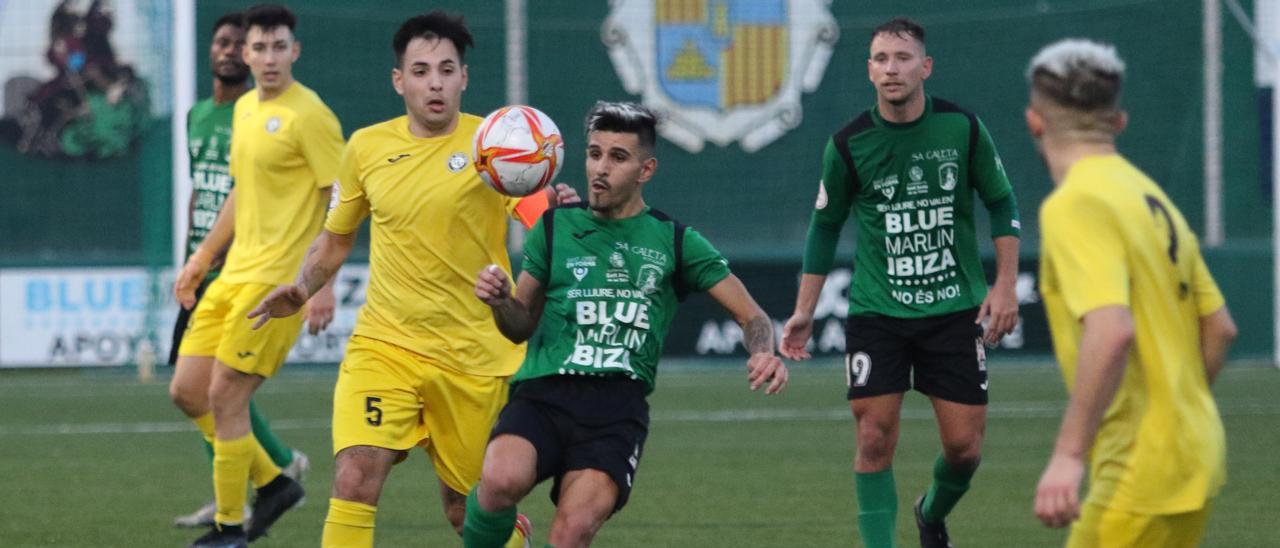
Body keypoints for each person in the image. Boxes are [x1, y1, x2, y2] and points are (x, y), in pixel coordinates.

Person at [247, 11, 574, 548]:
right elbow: (334, 239)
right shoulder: (366, 148)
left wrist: (562, 212)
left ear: (464, 78)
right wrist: (303, 286)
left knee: (465, 510)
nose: (435, 82)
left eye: (447, 69)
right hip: (386, 345)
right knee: (353, 478)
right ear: (399, 80)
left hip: (474, 358)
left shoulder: (496, 146)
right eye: (420, 71)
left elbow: (542, 221)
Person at [461, 101, 789, 548]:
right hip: (544, 394)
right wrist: (501, 302)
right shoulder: (555, 227)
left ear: (645, 169)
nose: (600, 168)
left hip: (616, 411)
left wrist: (763, 351)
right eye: (594, 153)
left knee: (571, 532)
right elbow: (519, 326)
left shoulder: (675, 240)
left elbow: (751, 314)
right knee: (499, 480)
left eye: (617, 157)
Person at [778, 17, 1021, 548]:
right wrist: (804, 310)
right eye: (881, 59)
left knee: (964, 450)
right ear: (869, 70)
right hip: (876, 314)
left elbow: (1002, 202)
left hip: (955, 310)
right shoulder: (847, 144)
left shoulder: (962, 128)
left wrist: (1004, 286)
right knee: (873, 438)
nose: (892, 69)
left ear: (925, 67)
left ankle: (930, 514)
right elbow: (824, 226)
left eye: (903, 58)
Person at [1026, 39, 1238, 547]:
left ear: (1035, 122)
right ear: (1118, 121)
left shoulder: (1074, 203)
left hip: (1139, 471)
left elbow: (1112, 329)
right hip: (1193, 452)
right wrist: (1175, 415)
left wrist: (1068, 455)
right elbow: (1220, 327)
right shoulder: (1148, 193)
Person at [173, 4, 343, 546]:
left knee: (225, 396)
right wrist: (199, 260)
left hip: (277, 285)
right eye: (259, 48)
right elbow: (240, 191)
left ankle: (228, 529)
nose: (269, 57)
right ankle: (273, 483)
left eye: (279, 47)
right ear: (245, 54)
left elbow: (337, 200)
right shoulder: (246, 108)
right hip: (231, 275)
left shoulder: (310, 115)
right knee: (187, 391)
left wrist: (323, 283)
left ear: (295, 51)